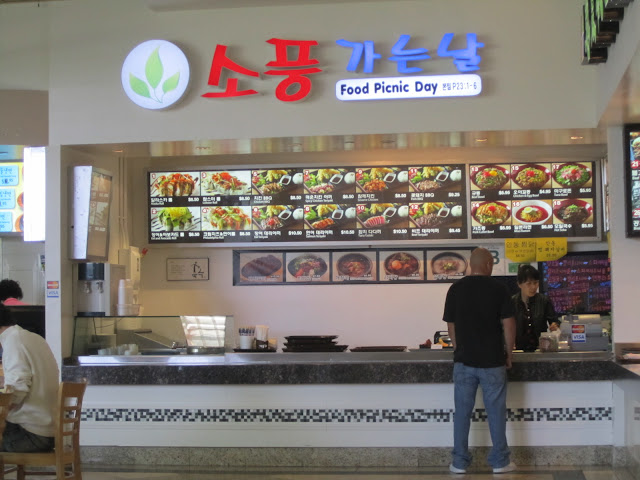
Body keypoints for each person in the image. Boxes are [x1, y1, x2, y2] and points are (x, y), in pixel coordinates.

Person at [442, 247, 516, 474]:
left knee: (462, 413)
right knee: (496, 413)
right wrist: (509, 353)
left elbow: (451, 325)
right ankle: (500, 462)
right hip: (493, 361)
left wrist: (458, 348)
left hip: (464, 362)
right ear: (488, 265)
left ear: (470, 264)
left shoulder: (455, 289)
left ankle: (459, 463)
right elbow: (509, 324)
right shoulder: (499, 289)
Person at [0, 304, 59, 452]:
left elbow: (16, 392)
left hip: (30, 434)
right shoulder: (33, 337)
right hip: (48, 432)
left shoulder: (13, 341)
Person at [512, 265, 559, 352]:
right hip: (518, 349)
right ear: (519, 284)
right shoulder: (512, 302)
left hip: (540, 348)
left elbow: (554, 320)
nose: (533, 287)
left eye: (536, 283)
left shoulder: (544, 300)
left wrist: (554, 325)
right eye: (529, 283)